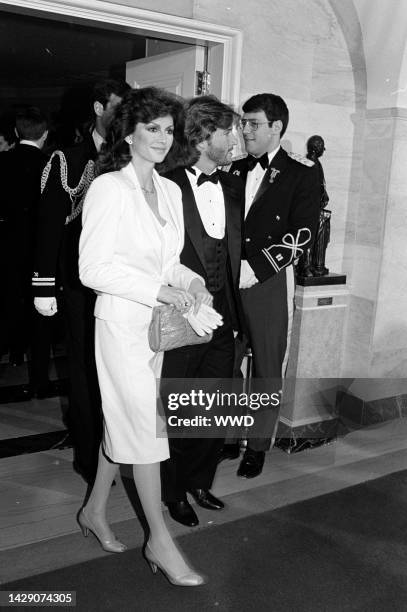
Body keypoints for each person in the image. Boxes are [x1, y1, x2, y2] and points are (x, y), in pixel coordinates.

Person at [78, 87, 218, 586]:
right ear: (130, 132)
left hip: (157, 331)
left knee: (128, 420)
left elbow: (170, 262)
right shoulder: (108, 188)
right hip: (119, 325)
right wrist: (158, 290)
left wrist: (190, 282)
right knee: (149, 426)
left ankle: (95, 510)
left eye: (169, 130)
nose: (163, 138)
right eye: (152, 128)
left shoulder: (171, 189)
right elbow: (93, 269)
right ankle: (159, 541)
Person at [32, 79, 129, 484]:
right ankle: (91, 460)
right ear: (97, 108)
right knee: (88, 373)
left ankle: (121, 450)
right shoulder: (68, 160)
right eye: (118, 109)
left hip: (126, 288)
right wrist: (43, 284)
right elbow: (49, 228)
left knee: (123, 372)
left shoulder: (134, 161)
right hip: (81, 288)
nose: (125, 119)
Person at [225, 93, 320, 478]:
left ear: (276, 127)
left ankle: (258, 445)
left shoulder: (302, 171)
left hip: (268, 281)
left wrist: (259, 267)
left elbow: (304, 232)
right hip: (229, 281)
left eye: (253, 123)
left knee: (265, 366)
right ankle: (228, 439)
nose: (244, 130)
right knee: (227, 362)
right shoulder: (231, 169)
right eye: (243, 123)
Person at [160, 95, 244, 527]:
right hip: (180, 318)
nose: (236, 138)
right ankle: (172, 492)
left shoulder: (231, 186)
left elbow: (228, 256)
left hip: (224, 317)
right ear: (204, 134)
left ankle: (199, 480)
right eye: (228, 130)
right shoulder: (166, 183)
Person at [0, 107, 52, 380]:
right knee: (37, 305)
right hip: (38, 246)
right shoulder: (50, 165)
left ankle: (14, 350)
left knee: (8, 297)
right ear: (45, 133)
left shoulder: (2, 162)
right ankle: (37, 371)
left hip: (6, 243)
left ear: (16, 133)